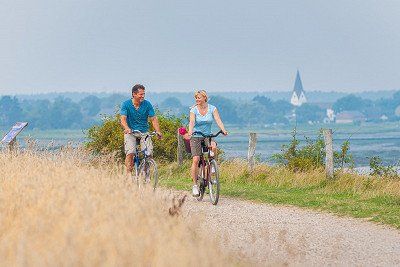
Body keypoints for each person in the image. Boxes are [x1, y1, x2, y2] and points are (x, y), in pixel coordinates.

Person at [188, 90, 228, 196]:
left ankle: (212, 164)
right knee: (196, 159)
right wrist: (190, 131)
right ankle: (195, 185)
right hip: (196, 136)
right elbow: (191, 121)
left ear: (205, 98)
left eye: (199, 97)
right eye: (196, 98)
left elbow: (218, 119)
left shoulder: (212, 108)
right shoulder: (193, 110)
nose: (197, 99)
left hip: (208, 135)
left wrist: (223, 129)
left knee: (213, 147)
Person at [120, 84, 162, 174]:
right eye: (141, 94)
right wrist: (127, 128)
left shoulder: (147, 104)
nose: (143, 96)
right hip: (130, 132)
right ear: (134, 94)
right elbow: (123, 119)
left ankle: (146, 173)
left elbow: (153, 119)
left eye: (144, 94)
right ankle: (128, 175)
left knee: (149, 153)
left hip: (144, 132)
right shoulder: (126, 104)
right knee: (130, 152)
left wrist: (158, 131)